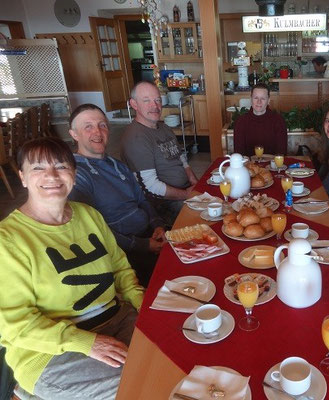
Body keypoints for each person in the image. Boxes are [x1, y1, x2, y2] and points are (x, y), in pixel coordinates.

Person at [0, 137, 144, 399]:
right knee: (141, 384)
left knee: (173, 353)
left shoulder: (89, 215)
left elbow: (120, 268)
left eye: (61, 166)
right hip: (49, 353)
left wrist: (141, 301)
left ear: (74, 175)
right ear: (23, 177)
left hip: (116, 320)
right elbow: (13, 323)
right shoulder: (8, 241)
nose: (52, 175)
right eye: (38, 168)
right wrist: (85, 342)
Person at [68, 103, 166, 287]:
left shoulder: (116, 164)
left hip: (149, 235)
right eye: (88, 126)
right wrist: (144, 245)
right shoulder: (77, 175)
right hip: (125, 252)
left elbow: (141, 199)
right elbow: (95, 230)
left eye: (102, 125)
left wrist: (157, 224)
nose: (97, 132)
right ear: (74, 134)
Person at [121, 81, 198, 227]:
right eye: (146, 101)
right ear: (134, 104)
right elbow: (150, 186)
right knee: (209, 217)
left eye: (157, 100)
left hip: (185, 190)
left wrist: (194, 181)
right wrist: (187, 195)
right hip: (163, 204)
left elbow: (181, 158)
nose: (155, 106)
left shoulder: (164, 128)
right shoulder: (136, 137)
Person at [233, 83, 287, 156]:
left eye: (263, 98)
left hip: (272, 165)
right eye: (256, 98)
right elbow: (239, 153)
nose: (259, 102)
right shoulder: (241, 122)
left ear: (268, 101)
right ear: (251, 99)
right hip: (248, 165)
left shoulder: (278, 121)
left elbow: (281, 152)